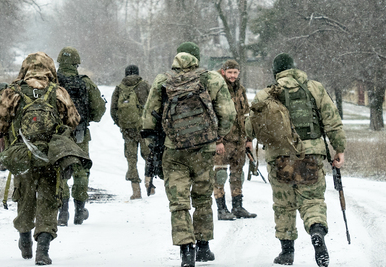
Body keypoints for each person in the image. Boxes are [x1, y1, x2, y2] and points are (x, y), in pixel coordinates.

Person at [141, 42, 236, 267]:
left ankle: (186, 249)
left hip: (174, 150)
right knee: (203, 197)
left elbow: (148, 118)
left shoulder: (162, 80)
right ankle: (203, 247)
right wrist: (214, 135)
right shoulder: (211, 79)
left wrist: (154, 145)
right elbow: (229, 113)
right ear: (197, 58)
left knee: (179, 201)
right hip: (203, 149)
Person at [247, 53, 346, 267]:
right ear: (294, 67)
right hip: (311, 154)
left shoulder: (266, 94)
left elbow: (250, 128)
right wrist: (339, 148)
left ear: (276, 72)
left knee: (284, 204)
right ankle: (316, 230)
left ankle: (286, 253)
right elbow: (332, 120)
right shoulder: (314, 88)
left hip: (280, 157)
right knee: (312, 199)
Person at [0, 52, 84, 265]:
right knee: (49, 201)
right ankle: (43, 248)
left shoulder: (12, 92)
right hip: (51, 157)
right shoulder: (58, 92)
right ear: (50, 69)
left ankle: (24, 237)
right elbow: (73, 121)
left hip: (22, 156)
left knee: (24, 198)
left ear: (25, 69)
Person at [55, 47, 106, 226]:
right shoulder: (85, 82)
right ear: (77, 63)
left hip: (57, 135)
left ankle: (63, 212)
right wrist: (83, 119)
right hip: (80, 133)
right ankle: (79, 210)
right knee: (81, 171)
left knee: (59, 171)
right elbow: (99, 111)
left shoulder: (51, 82)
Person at [213, 59, 257, 220]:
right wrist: (218, 140)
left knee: (237, 174)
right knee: (220, 174)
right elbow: (213, 116)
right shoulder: (217, 88)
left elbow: (246, 114)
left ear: (239, 73)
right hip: (223, 141)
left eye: (235, 72)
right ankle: (221, 208)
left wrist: (249, 138)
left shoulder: (241, 89)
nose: (232, 75)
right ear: (223, 72)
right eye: (229, 72)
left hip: (239, 140)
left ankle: (237, 207)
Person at [110, 64, 151, 199]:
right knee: (148, 156)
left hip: (128, 129)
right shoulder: (145, 85)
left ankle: (136, 190)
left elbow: (113, 110)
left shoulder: (119, 88)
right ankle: (149, 184)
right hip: (144, 128)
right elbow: (153, 105)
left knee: (131, 159)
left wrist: (122, 123)